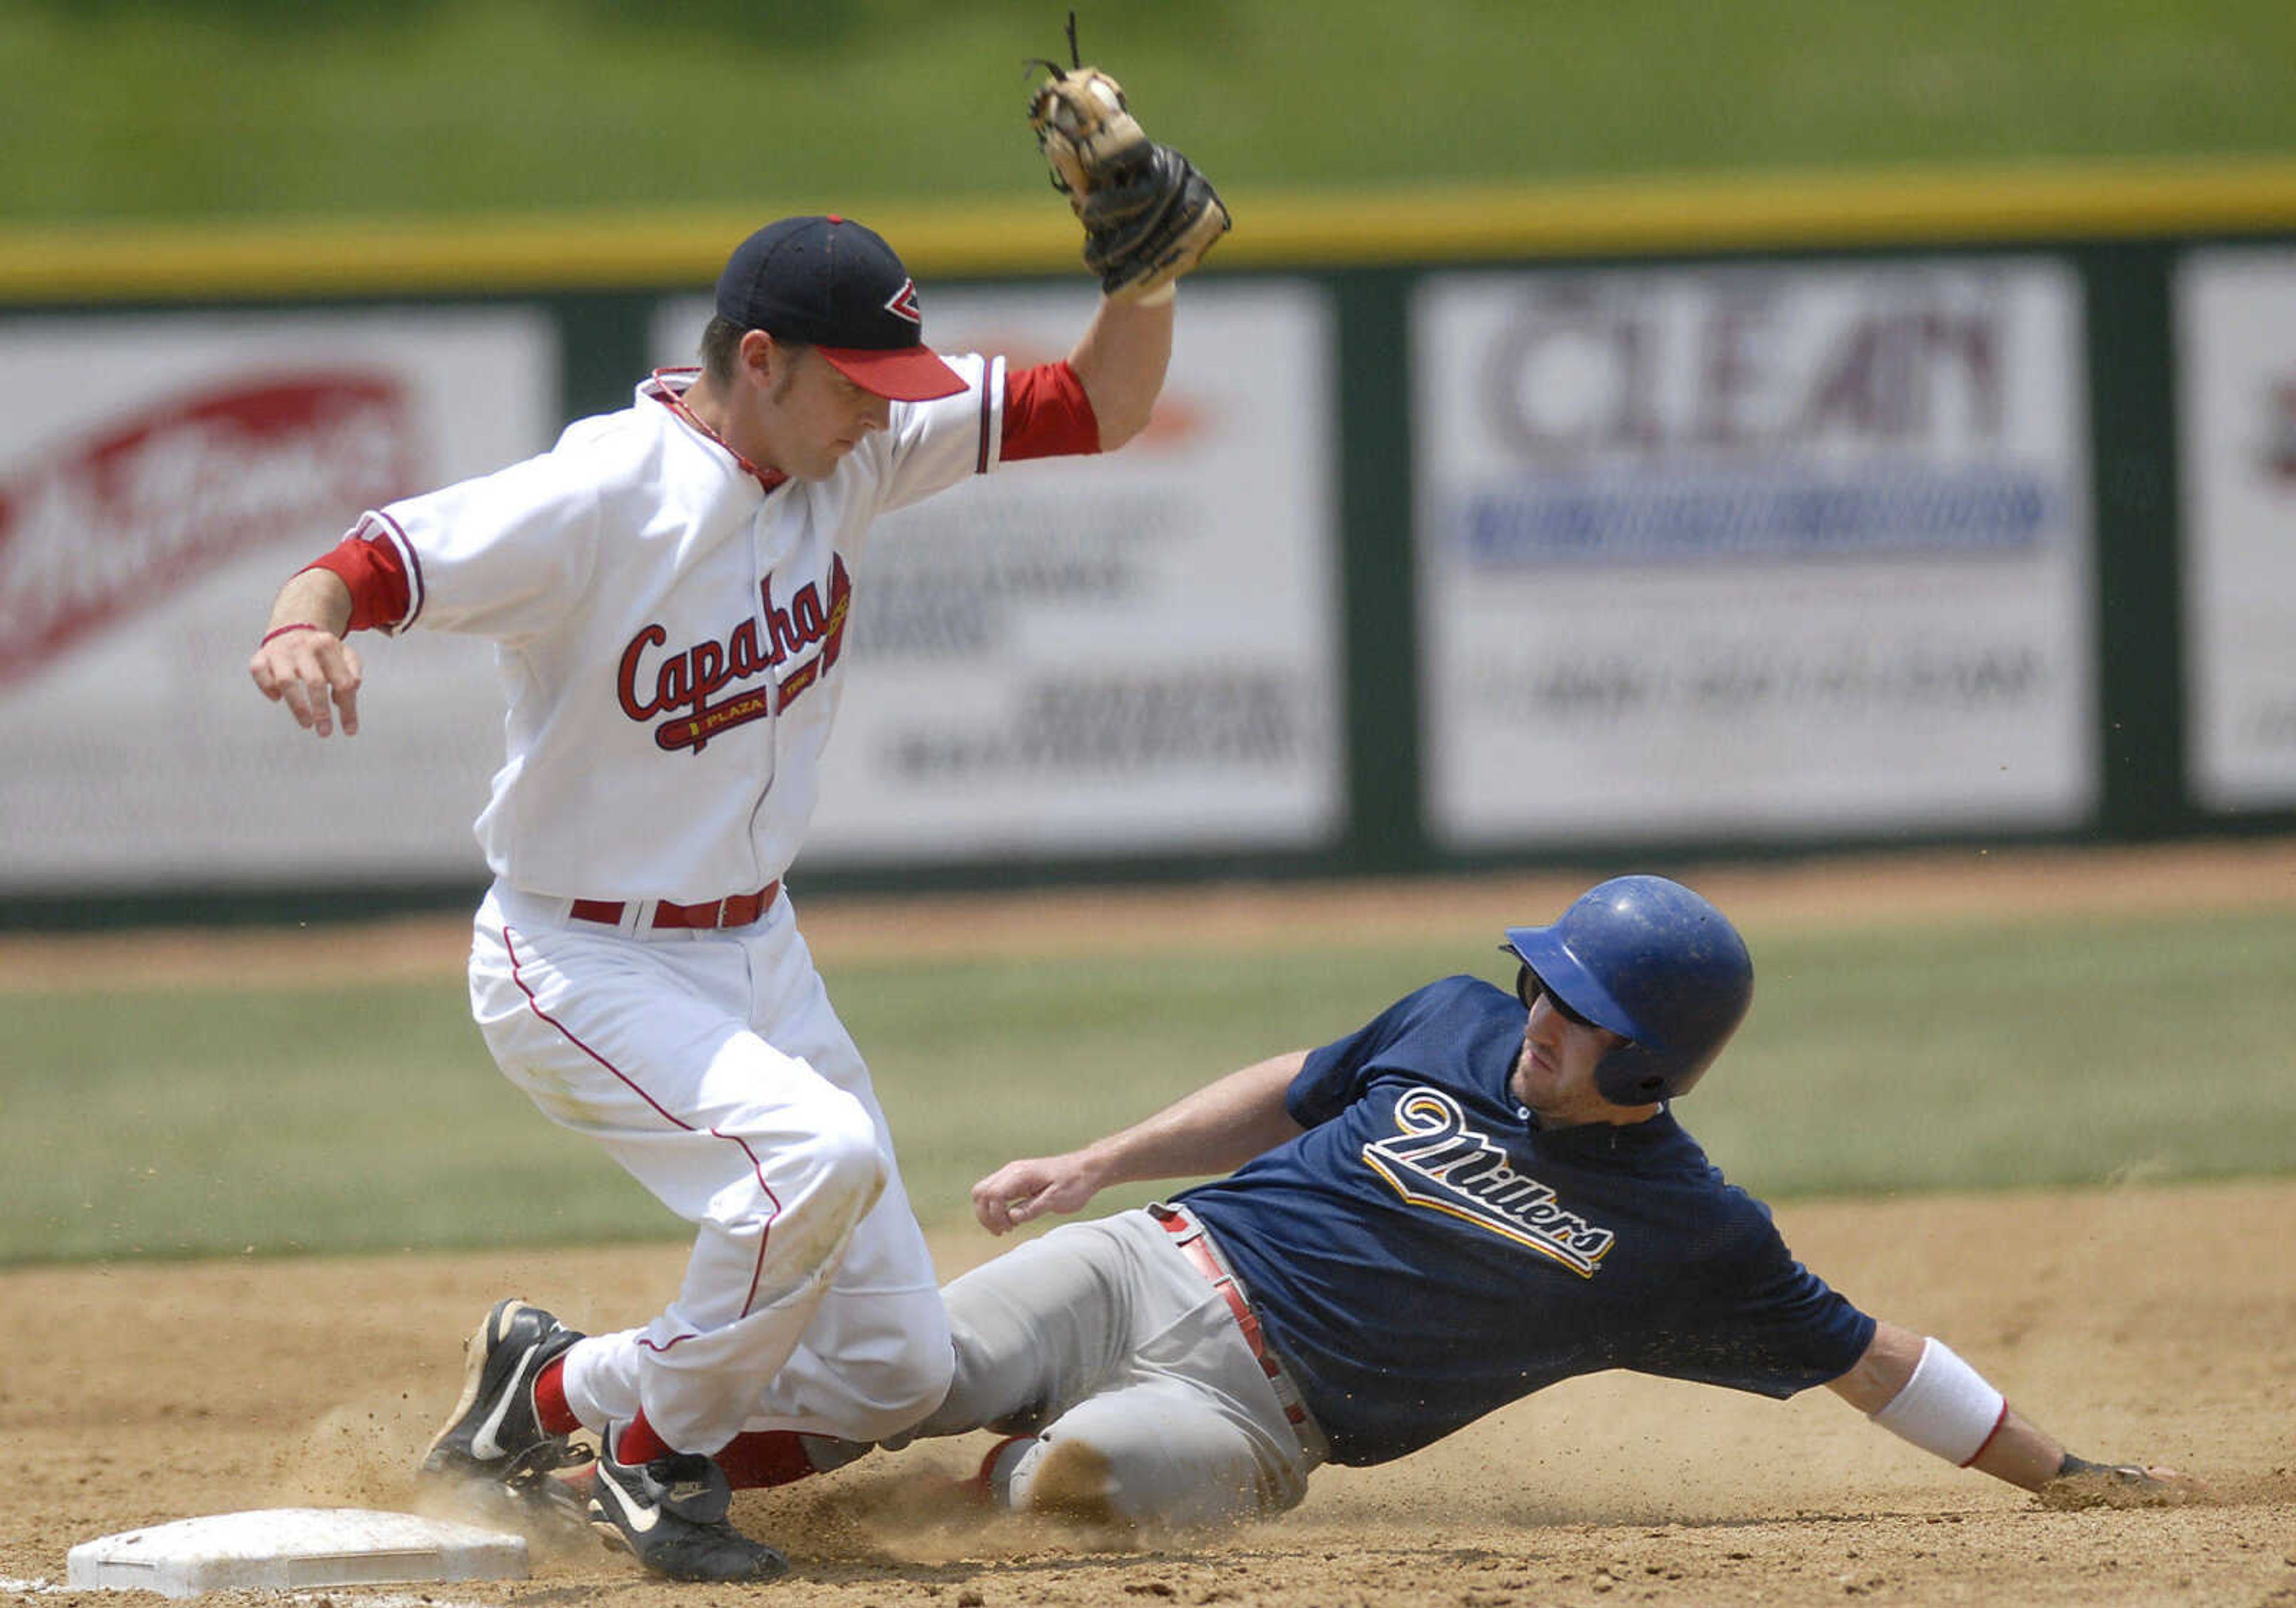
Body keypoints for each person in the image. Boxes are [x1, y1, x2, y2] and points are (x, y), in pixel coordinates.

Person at [246, 160, 1222, 1580]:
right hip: (581, 956)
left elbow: (1098, 408)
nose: (887, 408)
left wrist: (1143, 282)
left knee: (895, 1368)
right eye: (859, 382)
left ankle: (559, 1390)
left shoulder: (855, 445)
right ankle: (652, 1463)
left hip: (757, 952)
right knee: (806, 1158)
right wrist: (299, 623)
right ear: (757, 362)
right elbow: (375, 560)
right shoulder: (603, 495)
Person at [866, 875, 2198, 1530]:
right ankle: (670, 1441)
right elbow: (1300, 1085)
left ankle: (914, 1515)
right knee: (910, 1362)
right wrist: (1099, 1158)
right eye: (1546, 985)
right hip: (1142, 1263)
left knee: (1072, 1487)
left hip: (1255, 1416)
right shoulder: (1452, 1016)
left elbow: (1870, 1358)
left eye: (1584, 1012)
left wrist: (2065, 1475)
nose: (1543, 1018)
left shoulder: (1695, 1235)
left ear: (1654, 1063)